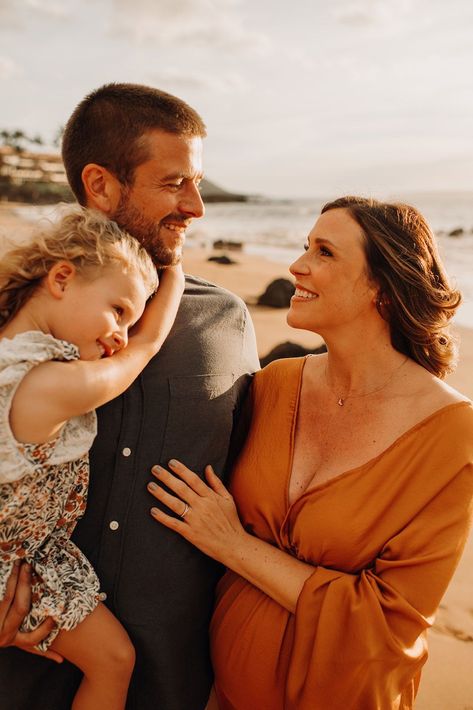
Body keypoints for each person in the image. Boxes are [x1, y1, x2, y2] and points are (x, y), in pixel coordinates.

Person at [147, 196, 473, 710]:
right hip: (218, 692)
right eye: (304, 246)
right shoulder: (273, 385)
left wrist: (234, 546)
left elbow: (388, 625)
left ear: (382, 289)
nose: (297, 265)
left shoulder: (452, 434)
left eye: (324, 252)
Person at [0, 84, 259, 709]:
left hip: (167, 677)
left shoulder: (223, 323)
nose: (197, 206)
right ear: (101, 184)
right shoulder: (13, 325)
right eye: (174, 183)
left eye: (198, 183)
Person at [0, 207, 184, 708]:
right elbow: (141, 352)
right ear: (62, 278)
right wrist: (175, 275)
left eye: (130, 318)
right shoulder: (43, 383)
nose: (122, 333)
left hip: (28, 557)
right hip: (14, 568)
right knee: (114, 662)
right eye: (119, 309)